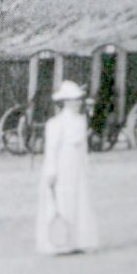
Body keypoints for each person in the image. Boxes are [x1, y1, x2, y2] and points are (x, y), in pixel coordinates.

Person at [36, 81, 99, 255]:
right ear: (66, 102)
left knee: (80, 201)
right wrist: (51, 171)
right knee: (61, 202)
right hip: (62, 167)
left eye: (79, 99)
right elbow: (51, 150)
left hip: (77, 168)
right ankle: (59, 243)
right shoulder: (55, 123)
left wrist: (87, 167)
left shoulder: (81, 121)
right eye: (75, 100)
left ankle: (79, 241)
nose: (79, 102)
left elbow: (83, 148)